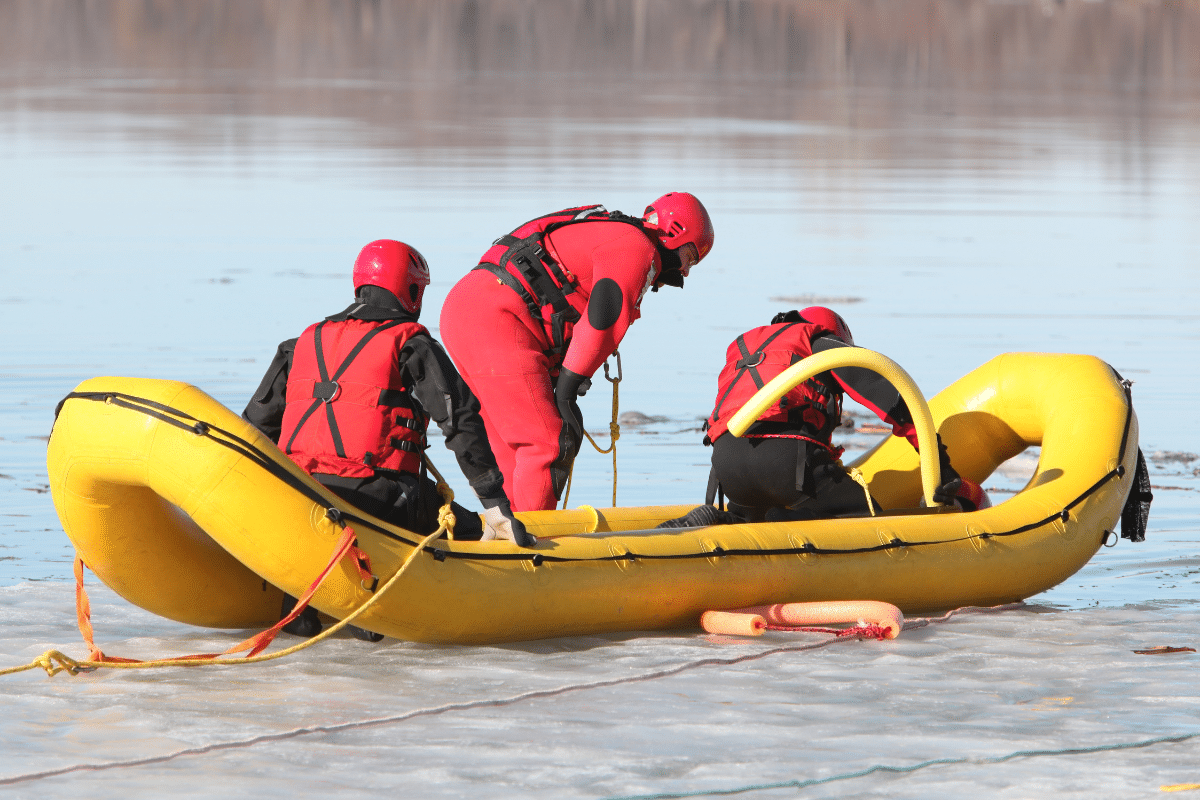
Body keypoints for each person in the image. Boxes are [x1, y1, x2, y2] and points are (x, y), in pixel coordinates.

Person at [244, 240, 535, 637]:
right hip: (380, 498)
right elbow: (461, 421)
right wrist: (495, 505)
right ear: (411, 289)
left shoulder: (301, 343)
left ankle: (304, 610)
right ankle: (384, 615)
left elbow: (254, 427)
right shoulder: (411, 341)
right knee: (467, 528)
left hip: (301, 498)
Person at [439, 193, 715, 511]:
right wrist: (567, 392)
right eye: (690, 258)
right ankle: (533, 546)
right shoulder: (637, 246)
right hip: (497, 318)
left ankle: (504, 532)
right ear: (673, 233)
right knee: (547, 444)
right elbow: (603, 321)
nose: (686, 273)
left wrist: (564, 380)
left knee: (512, 449)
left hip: (470, 308)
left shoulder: (613, 232)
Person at [701, 307, 980, 523]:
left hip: (727, 468)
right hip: (786, 463)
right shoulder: (822, 345)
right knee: (868, 520)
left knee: (753, 515)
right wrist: (943, 470)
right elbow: (900, 406)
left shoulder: (750, 351)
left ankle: (727, 521)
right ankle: (781, 520)